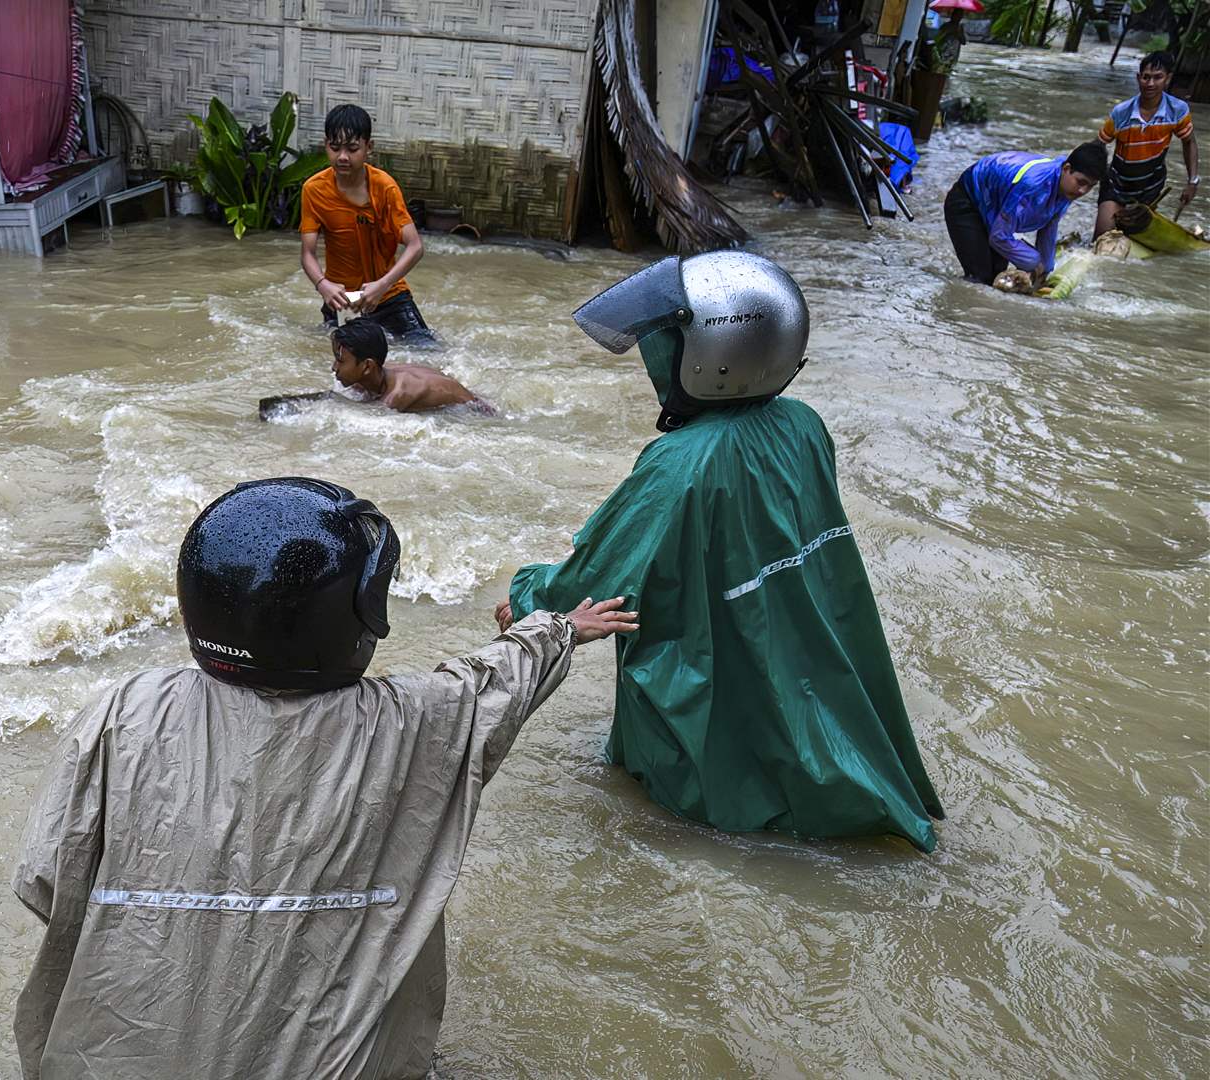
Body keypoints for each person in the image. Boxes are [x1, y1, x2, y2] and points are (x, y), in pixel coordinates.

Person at [13, 477, 636, 1079]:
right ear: (354, 619)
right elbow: (493, 682)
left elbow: (43, 881)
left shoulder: (123, 710)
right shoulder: (413, 720)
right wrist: (559, 628)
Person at [497, 252, 945, 852]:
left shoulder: (679, 461)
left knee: (693, 816)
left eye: (667, 346)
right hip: (790, 649)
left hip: (711, 679)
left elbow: (596, 578)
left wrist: (525, 596)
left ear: (711, 356)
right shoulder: (803, 424)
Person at [299, 104, 438, 347]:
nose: (343, 156)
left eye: (352, 149)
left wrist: (382, 285)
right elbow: (307, 254)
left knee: (430, 353)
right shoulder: (313, 190)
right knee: (343, 369)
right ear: (325, 146)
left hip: (389, 295)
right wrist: (323, 286)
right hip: (340, 300)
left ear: (368, 148)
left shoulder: (385, 188)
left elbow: (415, 246)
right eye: (335, 148)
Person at [943, 142, 1105, 288]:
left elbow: (1049, 227)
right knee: (980, 279)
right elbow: (999, 237)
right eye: (1081, 182)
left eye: (1090, 186)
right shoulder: (1032, 186)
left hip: (994, 209)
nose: (1083, 191)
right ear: (1066, 169)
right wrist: (1033, 261)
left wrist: (1046, 269)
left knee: (996, 276)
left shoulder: (1067, 189)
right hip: (967, 201)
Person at [1093, 51, 1198, 238]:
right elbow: (1099, 145)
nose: (1150, 84)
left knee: (1135, 235)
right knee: (1102, 237)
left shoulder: (1177, 110)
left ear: (1168, 79)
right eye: (1146, 77)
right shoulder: (1122, 112)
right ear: (1138, 78)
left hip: (1151, 186)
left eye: (1157, 78)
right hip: (1116, 183)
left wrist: (1192, 181)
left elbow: (1189, 142)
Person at [331, 318, 488, 414]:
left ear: (366, 367)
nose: (334, 367)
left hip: (476, 410)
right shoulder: (374, 372)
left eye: (340, 361)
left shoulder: (398, 394)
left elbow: (366, 418)